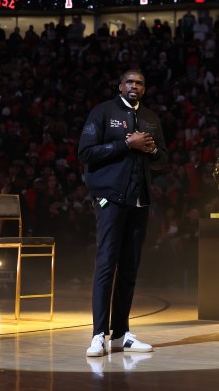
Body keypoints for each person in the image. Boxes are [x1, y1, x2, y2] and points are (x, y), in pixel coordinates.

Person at [78, 70, 167, 357]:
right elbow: (86, 152)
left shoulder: (152, 118)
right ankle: (97, 335)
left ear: (144, 89)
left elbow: (162, 160)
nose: (134, 86)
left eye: (139, 83)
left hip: (139, 200)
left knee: (129, 269)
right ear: (120, 86)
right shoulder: (103, 112)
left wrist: (151, 150)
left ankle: (121, 334)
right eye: (129, 82)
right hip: (110, 199)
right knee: (106, 266)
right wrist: (126, 144)